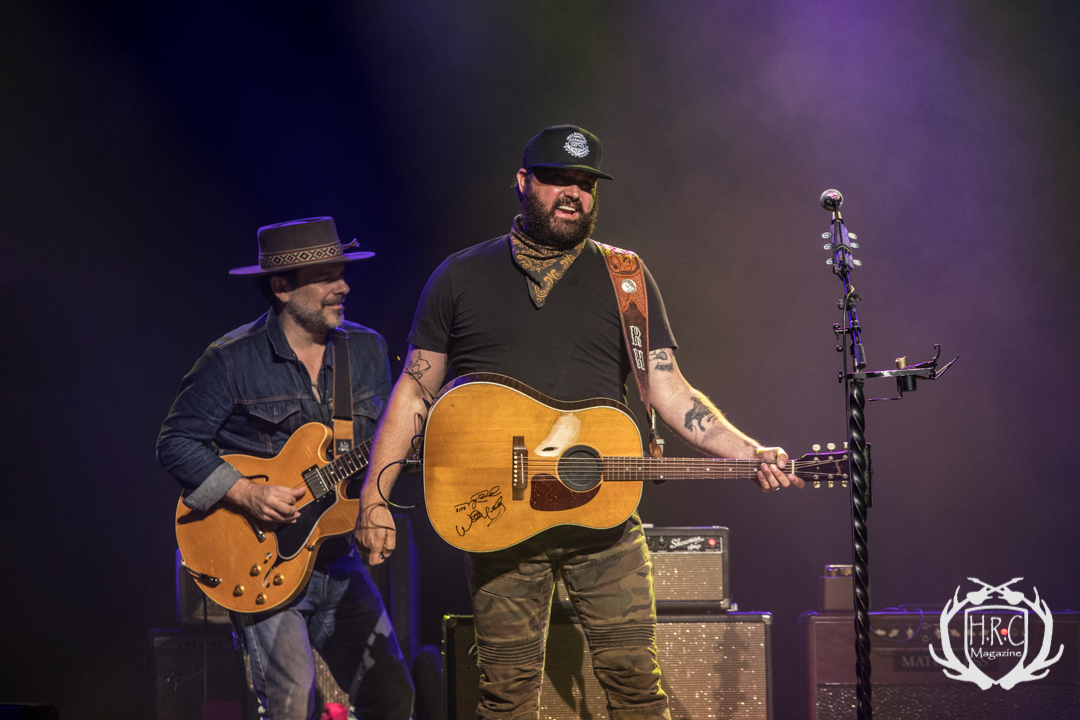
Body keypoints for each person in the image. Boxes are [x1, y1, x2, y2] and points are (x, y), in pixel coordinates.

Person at [355, 125, 804, 720]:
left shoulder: (627, 277)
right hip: (498, 521)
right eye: (557, 179)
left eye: (585, 183)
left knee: (638, 690)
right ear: (523, 182)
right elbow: (414, 391)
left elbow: (670, 389)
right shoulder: (459, 277)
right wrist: (374, 498)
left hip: (603, 524)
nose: (573, 193)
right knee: (506, 701)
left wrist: (750, 452)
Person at [157, 217, 414, 720]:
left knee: (392, 695)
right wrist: (246, 494)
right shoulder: (230, 359)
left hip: (337, 556)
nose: (343, 286)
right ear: (281, 288)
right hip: (261, 559)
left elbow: (385, 446)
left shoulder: (367, 349)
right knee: (293, 700)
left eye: (342, 273)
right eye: (326, 277)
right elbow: (175, 443)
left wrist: (377, 499)